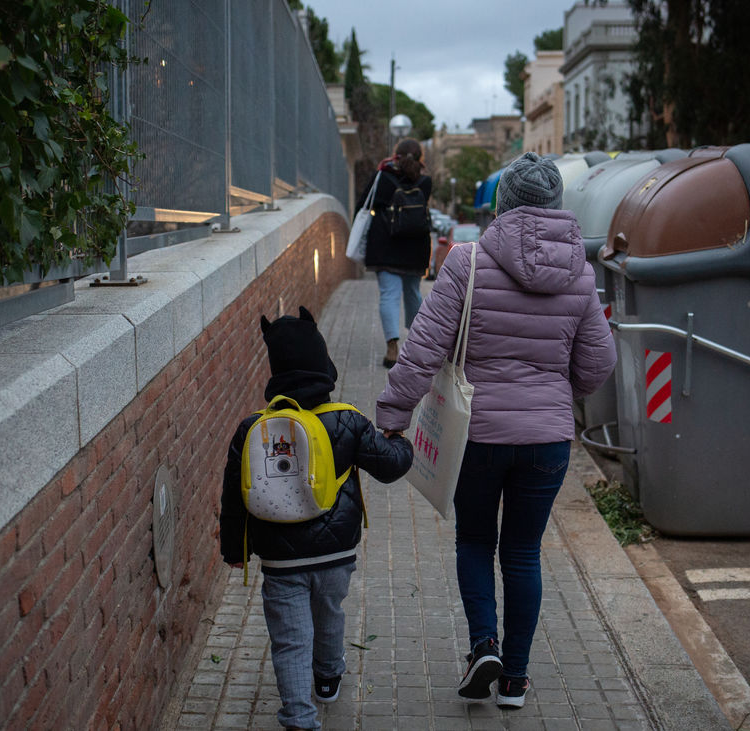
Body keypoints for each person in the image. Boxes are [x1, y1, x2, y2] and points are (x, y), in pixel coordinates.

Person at [374, 152, 617, 709]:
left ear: (502, 204)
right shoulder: (580, 273)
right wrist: (558, 391)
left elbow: (422, 348)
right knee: (524, 552)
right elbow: (598, 364)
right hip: (547, 441)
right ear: (556, 206)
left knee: (476, 540)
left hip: (478, 436)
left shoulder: (469, 261)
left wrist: (392, 416)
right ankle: (515, 680)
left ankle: (483, 646)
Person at [220, 306, 413, 731]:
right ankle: (327, 678)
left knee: (290, 639)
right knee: (329, 614)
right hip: (336, 553)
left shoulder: (252, 429)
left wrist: (236, 550)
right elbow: (390, 466)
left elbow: (234, 497)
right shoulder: (347, 419)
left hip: (279, 559)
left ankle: (298, 716)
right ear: (322, 363)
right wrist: (401, 441)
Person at [356, 138, 433, 368]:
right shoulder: (425, 182)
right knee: (412, 293)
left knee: (389, 294)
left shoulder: (382, 176)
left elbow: (363, 204)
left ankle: (392, 348)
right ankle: (418, 344)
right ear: (420, 157)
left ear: (395, 155)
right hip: (415, 247)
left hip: (385, 245)